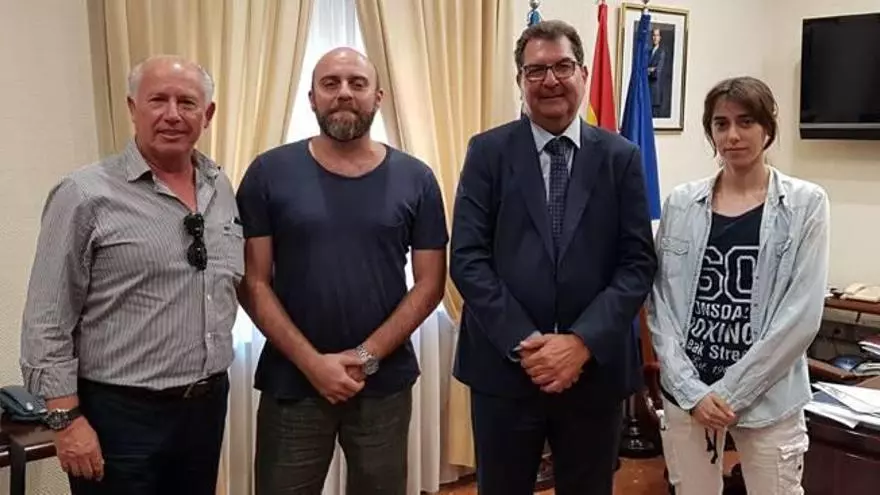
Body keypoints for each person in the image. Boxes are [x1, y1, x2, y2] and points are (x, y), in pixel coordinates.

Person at [450, 20, 658, 495]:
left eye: (563, 67)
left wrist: (581, 343)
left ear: (583, 73)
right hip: (505, 370)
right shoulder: (487, 152)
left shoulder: (621, 157)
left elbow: (636, 264)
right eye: (536, 70)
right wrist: (527, 344)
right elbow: (467, 257)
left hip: (594, 373)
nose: (550, 80)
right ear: (520, 80)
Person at [20, 55, 242, 494]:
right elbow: (47, 317)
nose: (173, 114)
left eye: (187, 102)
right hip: (119, 417)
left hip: (204, 408)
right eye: (158, 100)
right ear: (132, 108)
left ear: (208, 114)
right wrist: (65, 420)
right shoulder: (84, 194)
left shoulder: (220, 187)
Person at [236, 47, 447, 495]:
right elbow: (252, 282)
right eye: (330, 83)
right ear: (312, 98)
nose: (344, 93)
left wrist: (366, 357)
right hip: (292, 383)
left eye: (357, 83)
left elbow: (430, 283)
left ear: (378, 97)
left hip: (383, 384)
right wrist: (313, 364)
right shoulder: (268, 172)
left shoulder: (417, 178)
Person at [647, 76, 829, 494]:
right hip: (688, 397)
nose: (732, 135)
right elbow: (660, 304)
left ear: (768, 128)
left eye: (746, 122)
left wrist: (732, 392)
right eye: (721, 123)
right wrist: (692, 392)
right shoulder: (681, 203)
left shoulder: (806, 204)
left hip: (769, 397)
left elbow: (801, 316)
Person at [647, 28, 668, 118]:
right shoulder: (649, 52)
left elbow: (657, 71)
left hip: (655, 90)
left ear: (660, 38)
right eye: (653, 35)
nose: (655, 38)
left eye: (657, 35)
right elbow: (643, 68)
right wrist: (649, 69)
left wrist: (649, 70)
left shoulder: (661, 52)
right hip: (647, 89)